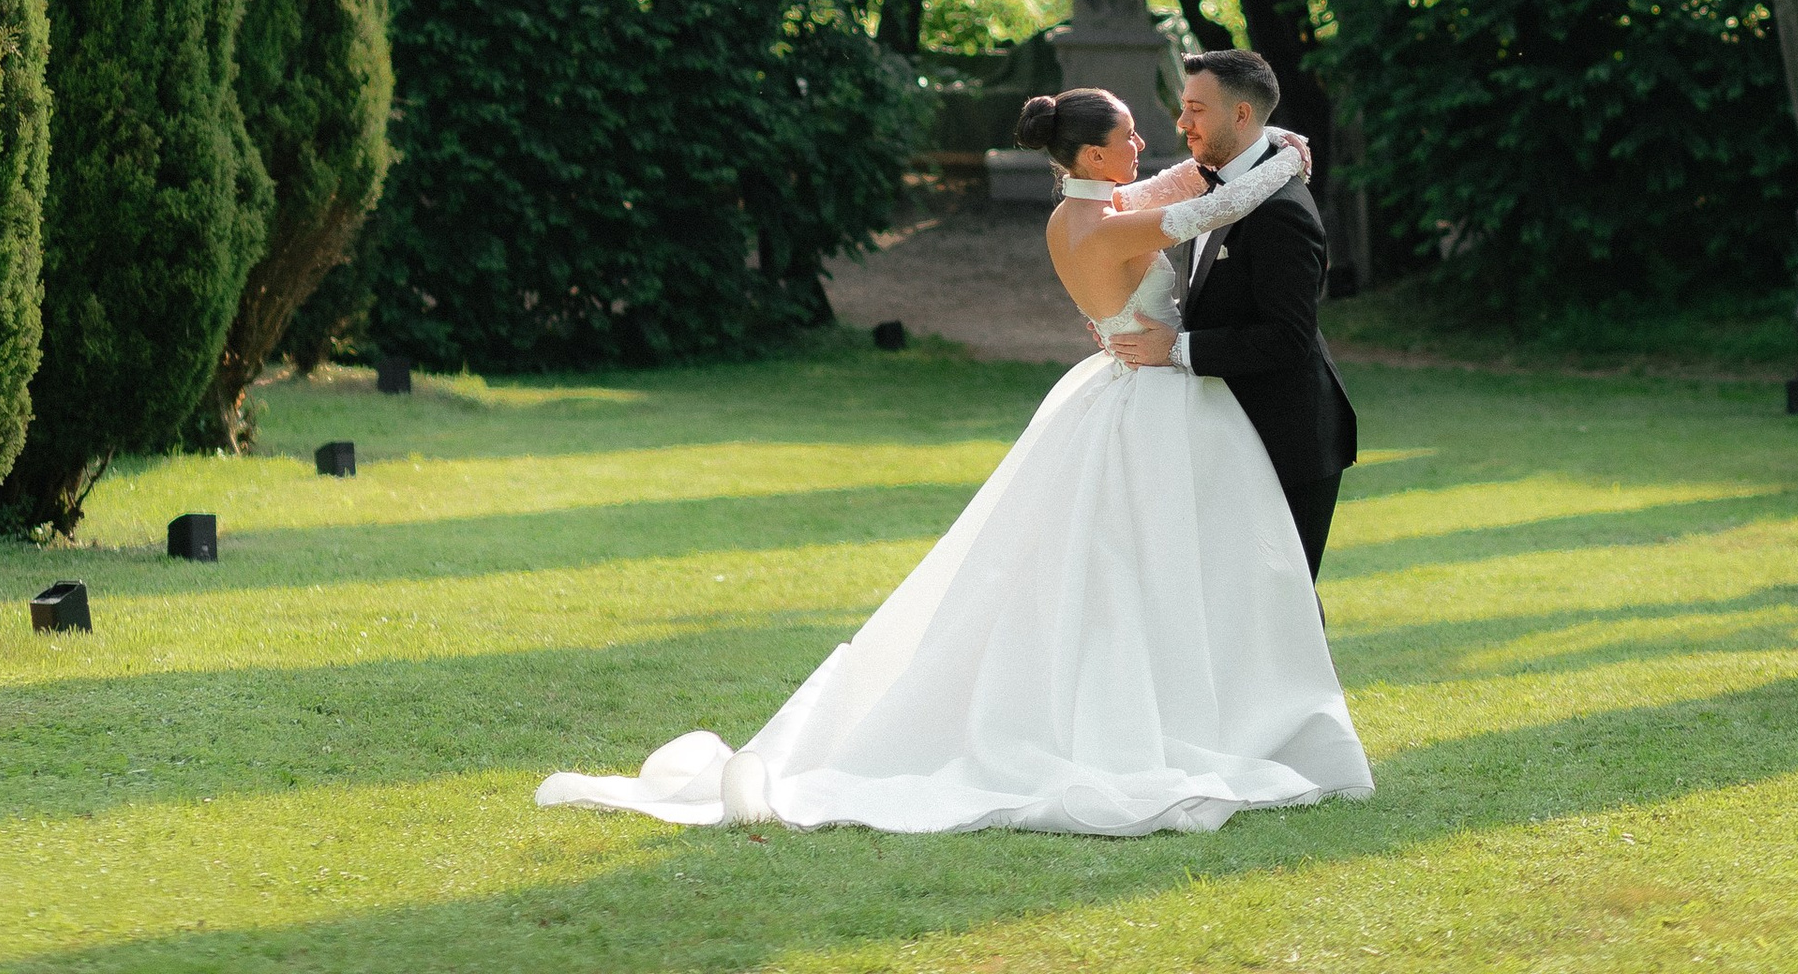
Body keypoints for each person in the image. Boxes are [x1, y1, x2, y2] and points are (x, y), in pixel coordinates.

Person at [534, 79, 1373, 837]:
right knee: (1137, 570)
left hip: (1120, 393)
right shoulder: (1116, 227)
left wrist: (1265, 150)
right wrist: (1285, 163)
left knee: (1128, 572)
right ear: (1090, 155)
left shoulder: (1074, 216)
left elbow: (1176, 191)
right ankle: (1164, 720)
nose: (1144, 147)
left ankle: (1198, 706)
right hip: (1149, 401)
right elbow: (1201, 213)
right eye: (1126, 137)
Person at [1099, 49, 1359, 584]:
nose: (1182, 122)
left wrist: (1173, 349)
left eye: (1196, 109)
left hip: (1288, 437)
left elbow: (1288, 338)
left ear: (1241, 116)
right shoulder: (1216, 183)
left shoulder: (1281, 209)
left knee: (1282, 607)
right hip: (1227, 432)